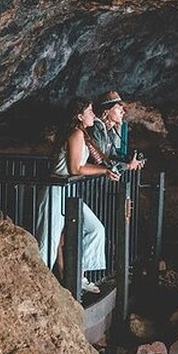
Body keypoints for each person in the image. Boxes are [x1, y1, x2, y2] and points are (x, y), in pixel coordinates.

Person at [35, 97, 120, 294]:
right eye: (89, 111)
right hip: (56, 190)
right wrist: (103, 171)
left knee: (95, 229)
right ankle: (37, 288)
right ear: (80, 116)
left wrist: (106, 169)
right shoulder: (75, 134)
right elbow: (75, 169)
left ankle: (77, 276)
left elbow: (87, 163)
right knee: (48, 244)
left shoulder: (82, 134)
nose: (93, 114)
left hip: (68, 191)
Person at [88, 90, 145, 173]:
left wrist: (130, 160)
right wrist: (128, 166)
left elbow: (112, 156)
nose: (123, 112)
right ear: (107, 110)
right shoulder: (96, 128)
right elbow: (99, 161)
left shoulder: (110, 131)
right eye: (119, 108)